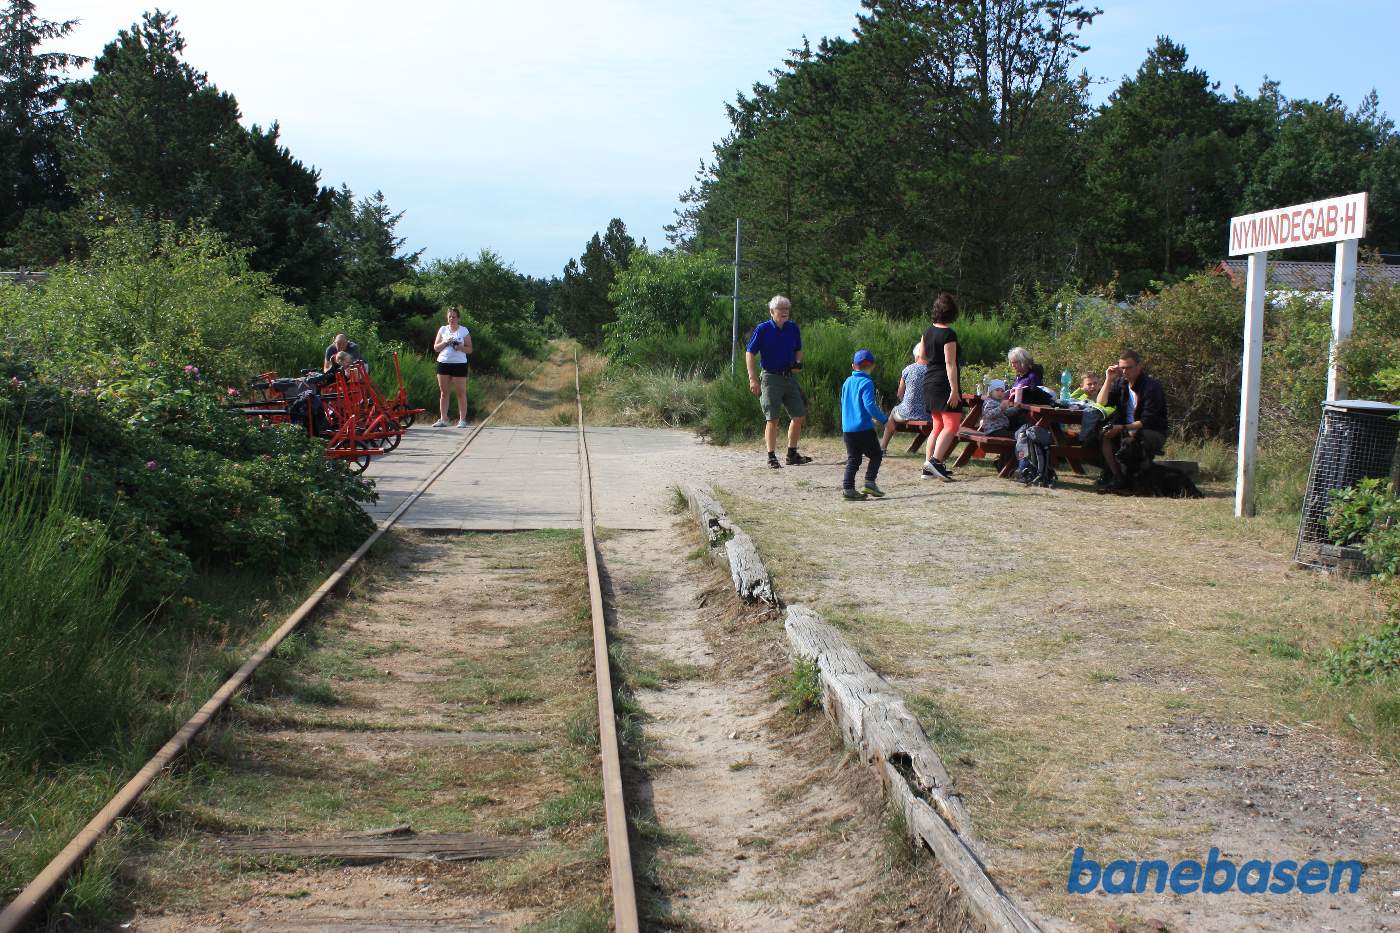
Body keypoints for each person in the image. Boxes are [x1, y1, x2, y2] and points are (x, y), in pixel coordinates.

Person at [745, 295, 812, 469]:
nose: (784, 312)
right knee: (772, 419)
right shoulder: (763, 329)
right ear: (771, 312)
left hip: (789, 377)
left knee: (799, 416)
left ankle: (792, 454)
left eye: (786, 309)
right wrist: (752, 378)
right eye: (780, 309)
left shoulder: (792, 328)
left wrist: (797, 363)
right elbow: (750, 353)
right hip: (770, 378)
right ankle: (771, 457)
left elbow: (798, 350)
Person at [1096, 349, 1169, 490]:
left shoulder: (1152, 387)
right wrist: (1108, 379)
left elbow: (1147, 421)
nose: (1125, 371)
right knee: (1104, 434)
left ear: (1139, 366)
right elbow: (1101, 402)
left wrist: (1122, 428)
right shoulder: (1120, 383)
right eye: (1122, 368)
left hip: (1152, 431)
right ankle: (1117, 477)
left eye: (1129, 367)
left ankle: (1129, 480)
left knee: (1129, 436)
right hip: (1128, 429)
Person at [919, 292, 962, 482]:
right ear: (952, 313)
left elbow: (922, 357)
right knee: (952, 424)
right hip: (943, 382)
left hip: (928, 380)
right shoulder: (948, 334)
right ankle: (935, 462)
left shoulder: (927, 332)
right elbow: (950, 363)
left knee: (937, 425)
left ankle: (927, 467)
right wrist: (954, 390)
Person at [840, 349, 888, 500]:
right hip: (863, 429)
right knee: (876, 455)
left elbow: (844, 403)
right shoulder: (867, 382)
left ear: (853, 365)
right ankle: (869, 482)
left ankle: (848, 489)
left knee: (853, 458)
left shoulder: (847, 381)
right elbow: (869, 405)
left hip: (848, 429)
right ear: (872, 366)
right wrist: (883, 419)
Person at [880, 341, 930, 453]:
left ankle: (883, 447)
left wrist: (907, 403)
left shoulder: (908, 369)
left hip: (906, 413)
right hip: (928, 415)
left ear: (917, 355)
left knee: (893, 412)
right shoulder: (934, 371)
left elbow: (900, 394)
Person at [432, 306, 473, 428]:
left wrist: (460, 347)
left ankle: (462, 420)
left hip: (459, 364)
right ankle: (444, 419)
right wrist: (446, 342)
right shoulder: (443, 329)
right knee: (444, 392)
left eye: (454, 316)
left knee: (461, 392)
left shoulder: (464, 330)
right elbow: (436, 348)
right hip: (443, 362)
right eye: (450, 316)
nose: (452, 319)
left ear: (458, 318)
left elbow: (470, 349)